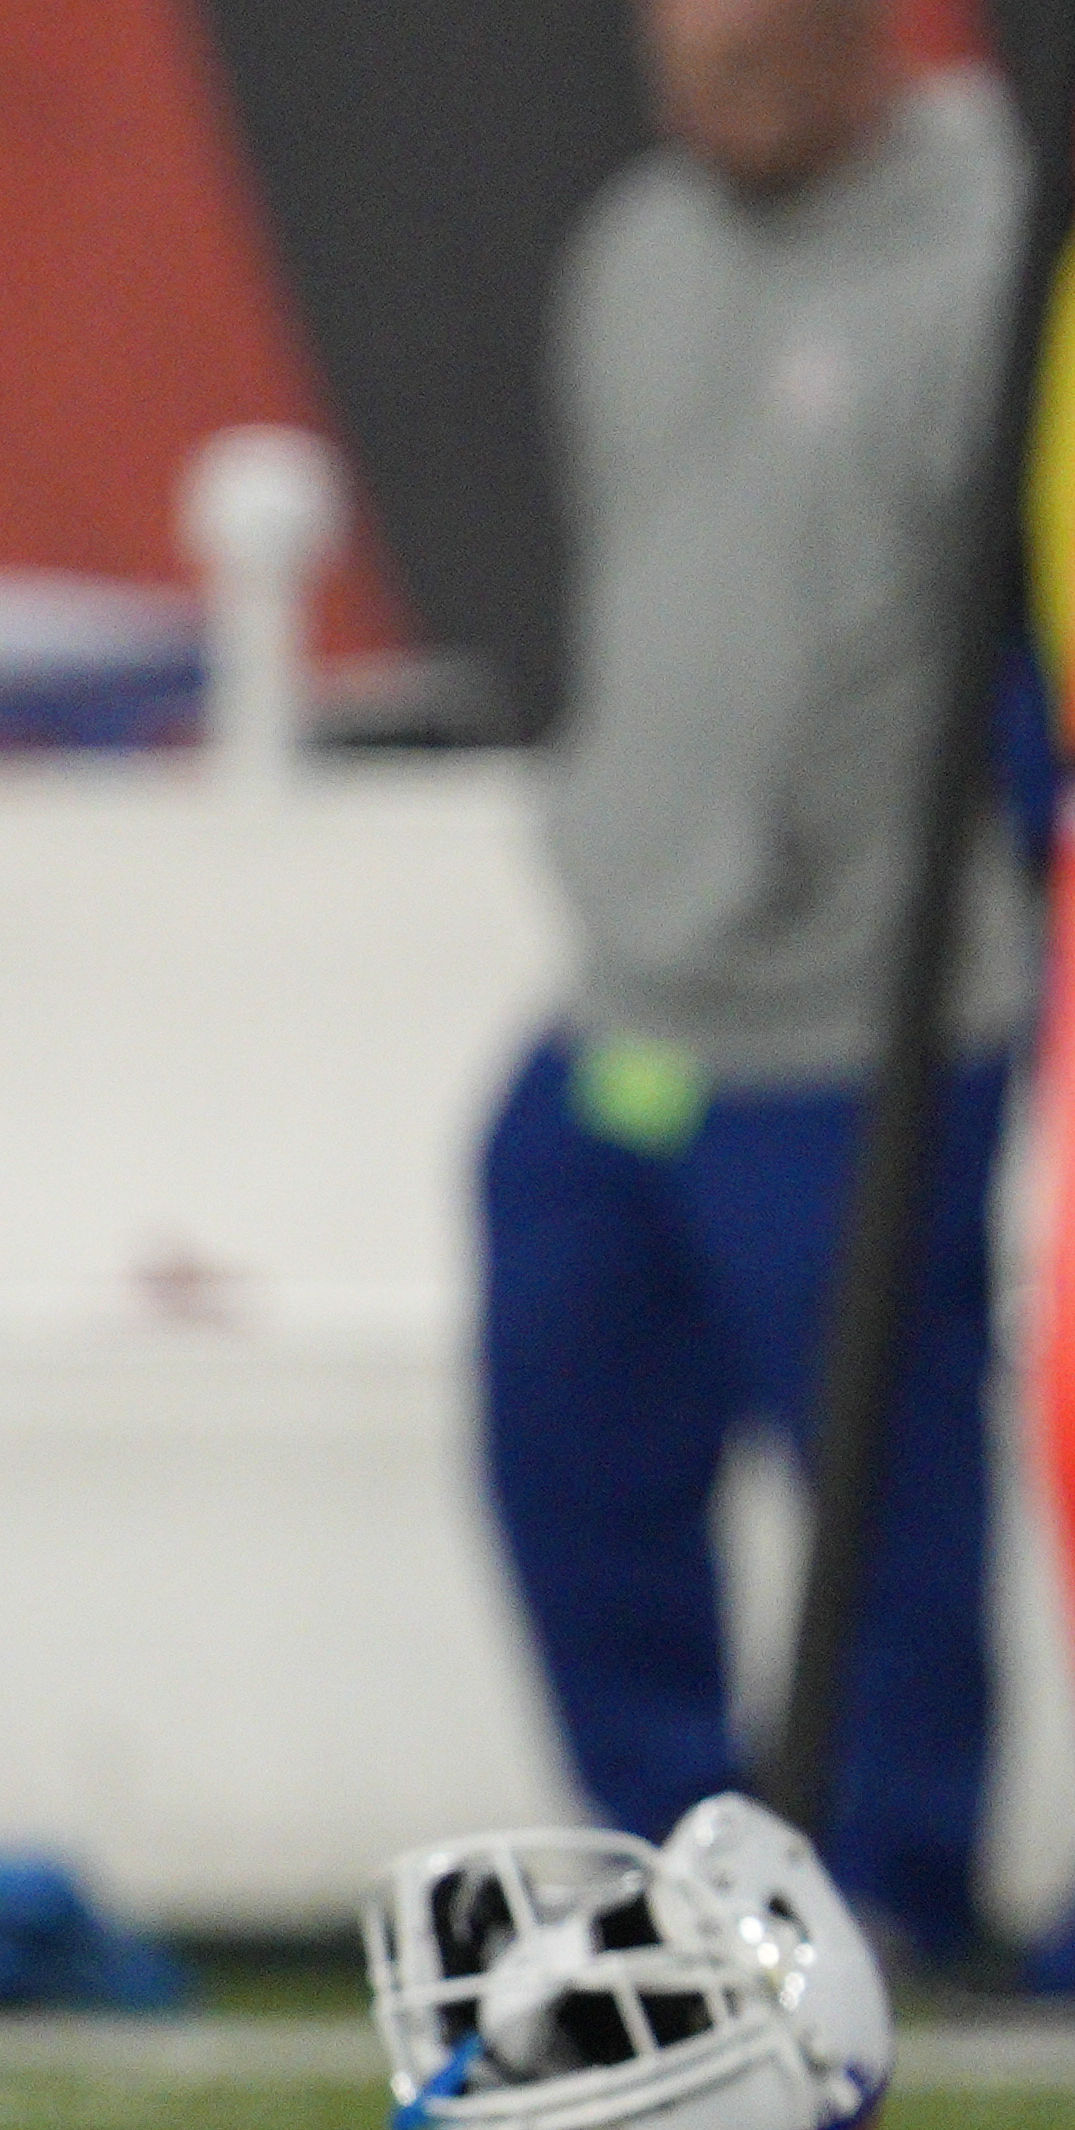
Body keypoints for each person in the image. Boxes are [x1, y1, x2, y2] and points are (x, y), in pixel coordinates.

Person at [484, 0, 1029, 1967]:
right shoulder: (635, 249)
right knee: (560, 1410)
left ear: (858, 41)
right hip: (632, 999)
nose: (709, 81)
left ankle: (893, 1882)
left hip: (869, 1014)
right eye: (681, 49)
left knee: (883, 1476)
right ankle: (680, 1863)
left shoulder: (993, 269)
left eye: (751, 49)